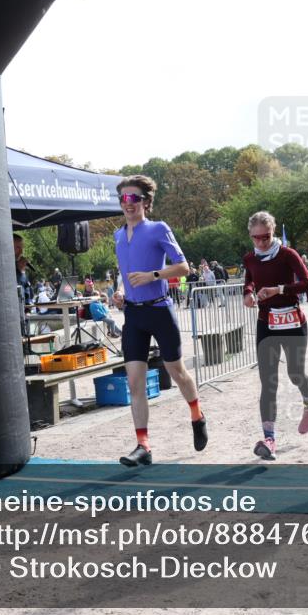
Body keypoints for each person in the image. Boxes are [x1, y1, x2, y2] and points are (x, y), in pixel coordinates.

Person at [111, 175, 207, 466]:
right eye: (123, 198)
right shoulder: (117, 235)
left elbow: (184, 267)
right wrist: (120, 290)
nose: (128, 203)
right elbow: (124, 271)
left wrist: (153, 275)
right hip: (134, 314)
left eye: (134, 198)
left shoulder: (158, 229)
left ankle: (197, 415)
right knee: (134, 382)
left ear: (146, 201)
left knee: (177, 372)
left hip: (159, 310)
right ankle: (143, 445)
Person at [242, 211, 308, 460]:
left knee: (295, 373)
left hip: (292, 321)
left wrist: (278, 289)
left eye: (265, 237)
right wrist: (248, 293)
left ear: (273, 232)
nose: (261, 242)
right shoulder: (250, 258)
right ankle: (269, 438)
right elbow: (249, 280)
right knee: (268, 382)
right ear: (250, 236)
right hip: (266, 323)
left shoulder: (288, 254)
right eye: (256, 238)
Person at [14, 234, 33, 304]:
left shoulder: (20, 269)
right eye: (18, 247)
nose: (21, 252)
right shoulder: (4, 266)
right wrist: (19, 271)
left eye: (22, 248)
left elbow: (29, 293)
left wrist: (21, 272)